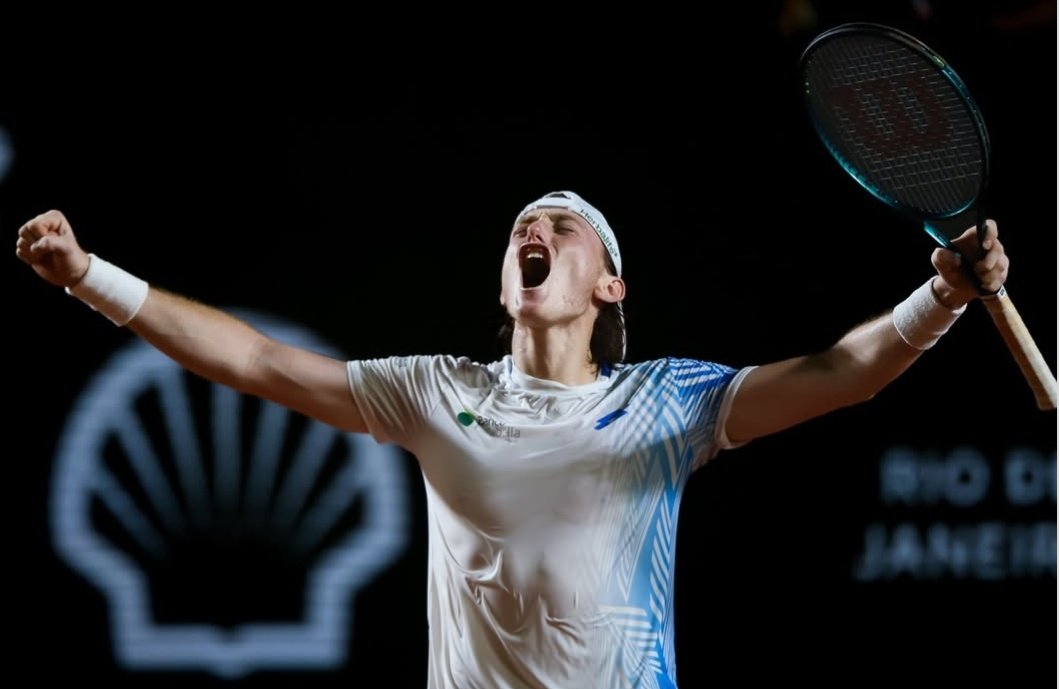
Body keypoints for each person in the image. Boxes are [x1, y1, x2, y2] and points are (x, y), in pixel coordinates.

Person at [16, 191, 1008, 688]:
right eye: (524, 225)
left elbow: (842, 372)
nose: (536, 226)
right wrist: (89, 275)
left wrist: (942, 297)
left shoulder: (668, 402)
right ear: (505, 281)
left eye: (563, 225)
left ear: (610, 283)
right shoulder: (434, 391)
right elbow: (257, 361)